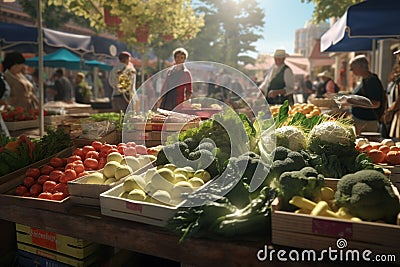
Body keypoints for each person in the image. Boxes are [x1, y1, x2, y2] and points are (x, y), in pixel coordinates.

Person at [349, 55, 385, 136]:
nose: (351, 71)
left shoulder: (372, 81)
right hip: (361, 120)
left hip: (366, 122)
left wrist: (355, 102)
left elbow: (376, 104)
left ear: (361, 67)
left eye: (352, 68)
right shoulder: (364, 79)